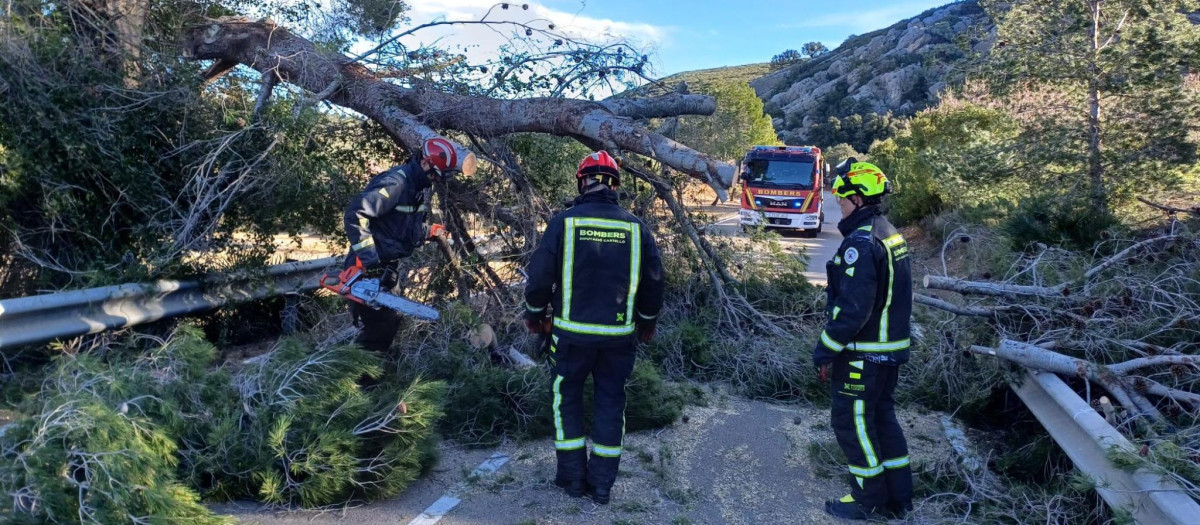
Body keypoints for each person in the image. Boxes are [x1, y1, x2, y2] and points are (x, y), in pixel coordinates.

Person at [523, 151, 664, 505]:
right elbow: (654, 281)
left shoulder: (564, 223)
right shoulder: (637, 228)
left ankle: (572, 478)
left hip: (570, 336)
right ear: (615, 185)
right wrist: (647, 321)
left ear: (582, 182)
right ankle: (601, 485)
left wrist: (534, 314)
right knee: (611, 402)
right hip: (619, 338)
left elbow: (539, 277)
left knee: (565, 399)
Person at [812, 158, 913, 520]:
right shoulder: (888, 232)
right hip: (888, 351)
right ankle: (899, 496)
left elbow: (853, 309)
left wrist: (825, 350)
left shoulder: (861, 241)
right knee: (882, 418)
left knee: (852, 423)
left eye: (842, 199)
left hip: (863, 353)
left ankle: (868, 498)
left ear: (857, 199)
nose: (839, 204)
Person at [342, 138, 460, 352]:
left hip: (387, 267)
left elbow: (400, 227)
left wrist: (428, 231)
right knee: (381, 328)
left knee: (389, 323)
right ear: (425, 162)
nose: (435, 180)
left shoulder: (415, 189)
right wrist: (370, 262)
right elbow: (356, 214)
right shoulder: (396, 183)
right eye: (435, 174)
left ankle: (367, 367)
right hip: (366, 267)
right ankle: (354, 372)